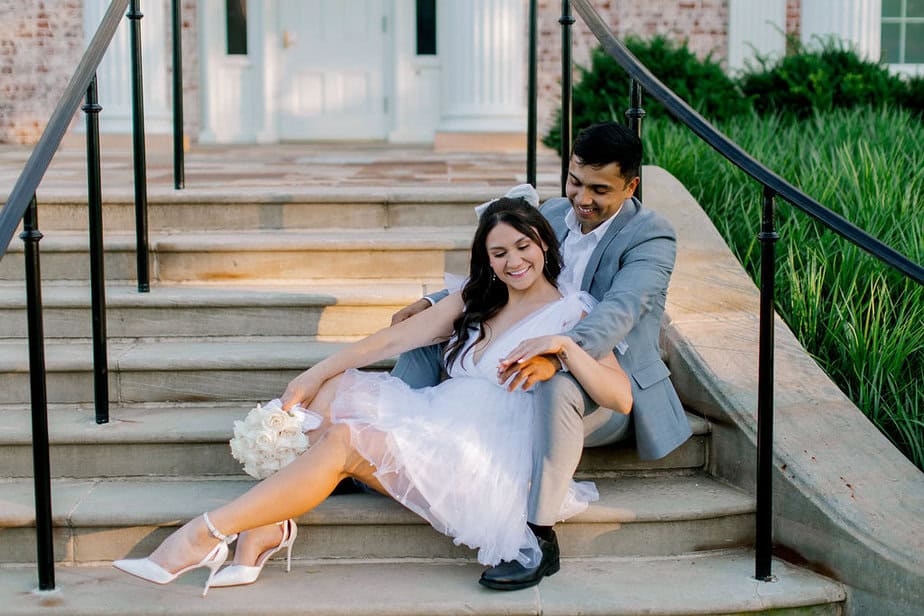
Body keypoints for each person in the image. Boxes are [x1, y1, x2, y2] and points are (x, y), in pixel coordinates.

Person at [112, 197, 633, 596]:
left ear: (544, 243)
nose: (514, 261)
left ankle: (204, 534)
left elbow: (620, 397)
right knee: (332, 391)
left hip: (482, 452)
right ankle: (266, 528)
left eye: (523, 247)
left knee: (342, 441)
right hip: (439, 418)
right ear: (487, 259)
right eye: (499, 252)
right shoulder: (480, 297)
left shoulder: (574, 313)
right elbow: (391, 340)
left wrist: (566, 348)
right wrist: (312, 374)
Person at [389, 122, 692, 590]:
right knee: (428, 342)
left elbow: (619, 311)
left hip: (604, 383)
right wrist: (432, 304)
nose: (581, 198)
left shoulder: (651, 236)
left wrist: (560, 354)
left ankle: (539, 538)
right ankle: (381, 441)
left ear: (630, 186)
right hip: (520, 360)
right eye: (575, 181)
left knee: (556, 382)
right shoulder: (550, 211)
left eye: (599, 189)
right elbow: (507, 272)